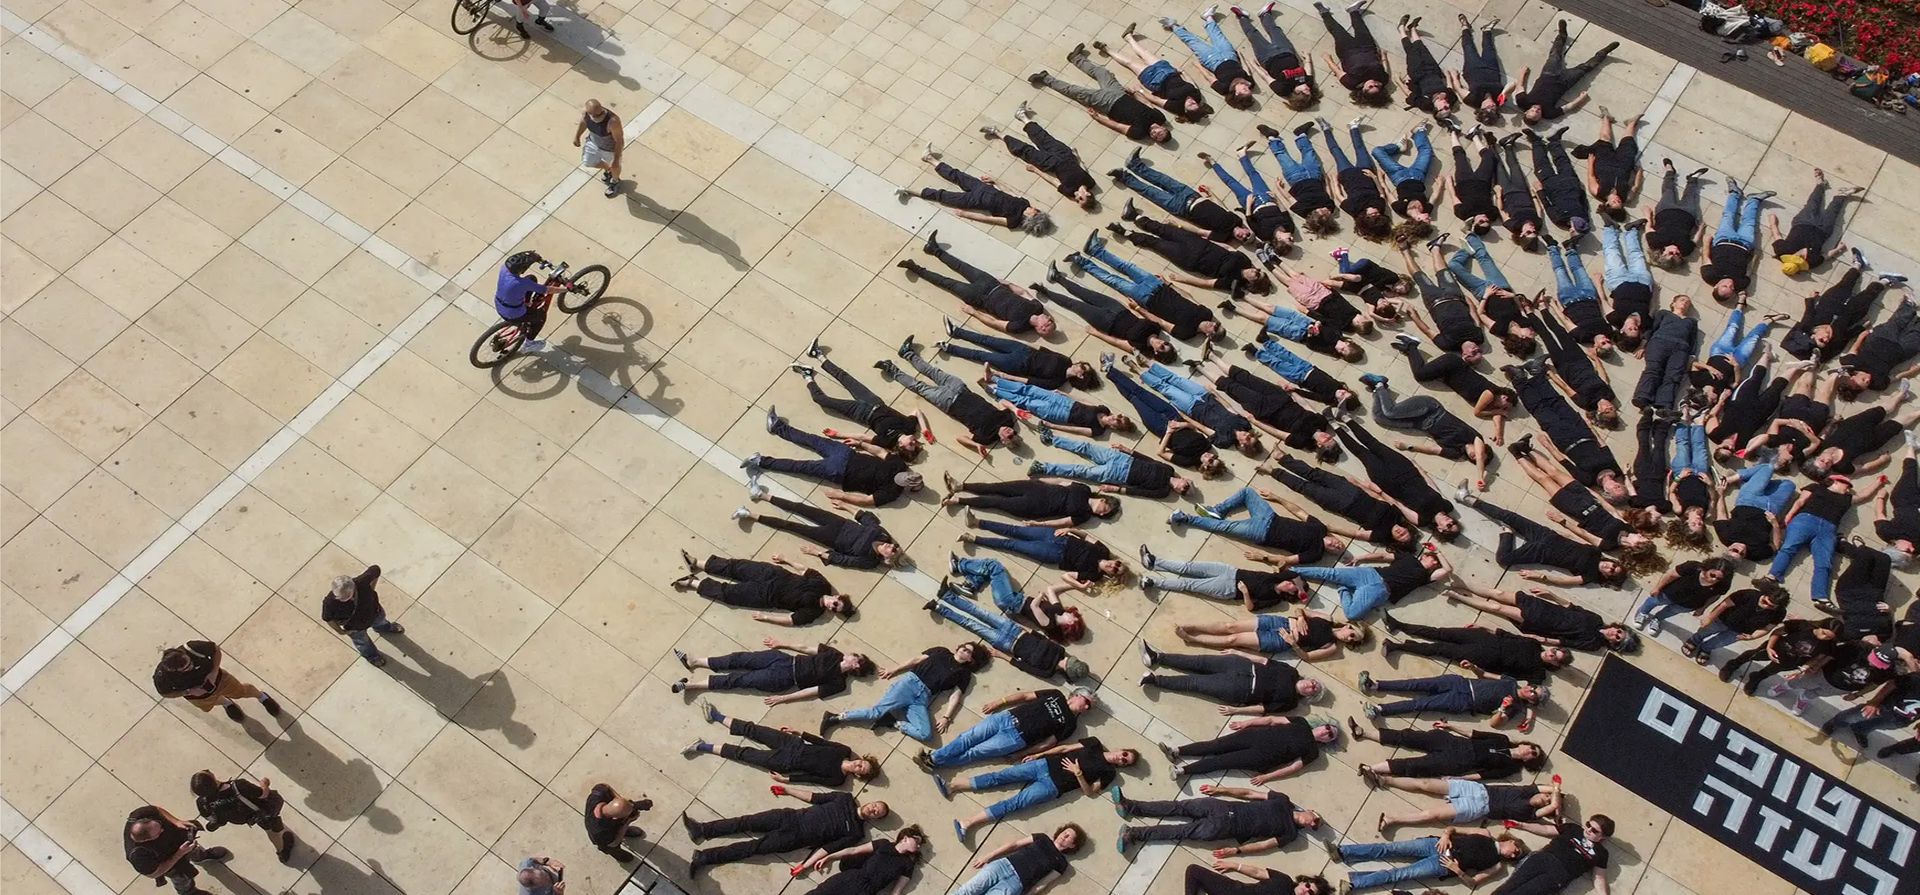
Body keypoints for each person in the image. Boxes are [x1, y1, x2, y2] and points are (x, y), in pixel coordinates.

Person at [940, 738, 1137, 840]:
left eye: (1125, 762)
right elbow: (1064, 748)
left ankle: (967, 823)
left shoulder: (1109, 773)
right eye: (1125, 754)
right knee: (999, 777)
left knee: (1013, 804)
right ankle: (952, 786)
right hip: (1043, 765)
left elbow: (1089, 792)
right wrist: (1038, 755)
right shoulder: (1094, 744)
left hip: (1052, 787)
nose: (1121, 758)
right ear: (1122, 749)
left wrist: (1078, 774)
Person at [684, 787, 888, 875]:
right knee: (745, 822)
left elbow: (827, 849)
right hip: (788, 817)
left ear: (875, 818)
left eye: (877, 812)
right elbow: (814, 797)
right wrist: (787, 789)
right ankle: (701, 829)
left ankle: (703, 857)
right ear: (871, 802)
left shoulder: (856, 833)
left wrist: (805, 865)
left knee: (752, 848)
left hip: (794, 839)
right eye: (875, 805)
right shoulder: (845, 798)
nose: (874, 809)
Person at [877, 340, 1020, 456]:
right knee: (931, 370)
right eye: (1014, 433)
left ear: (1003, 441)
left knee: (918, 386)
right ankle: (906, 352)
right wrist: (1014, 409)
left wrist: (976, 445)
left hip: (948, 402)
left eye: (1010, 436)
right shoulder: (1008, 420)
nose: (1010, 431)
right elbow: (1002, 402)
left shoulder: (987, 438)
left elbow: (960, 438)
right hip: (960, 389)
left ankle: (890, 368)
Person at [1502, 363, 1626, 496]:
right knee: (1558, 402)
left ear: (1607, 492)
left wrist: (1548, 445)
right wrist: (1589, 426)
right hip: (1583, 432)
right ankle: (1537, 374)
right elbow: (1602, 445)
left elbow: (1564, 462)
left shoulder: (1588, 480)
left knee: (1539, 409)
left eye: (1616, 490)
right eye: (1620, 487)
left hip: (1565, 441)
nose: (1617, 486)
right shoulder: (1616, 470)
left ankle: (1519, 379)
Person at [745, 414, 922, 505]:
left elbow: (867, 500)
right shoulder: (899, 466)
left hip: (839, 471)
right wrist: (860, 443)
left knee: (799, 466)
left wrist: (842, 496)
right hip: (846, 455)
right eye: (909, 476)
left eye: (907, 481)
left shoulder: (892, 491)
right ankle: (777, 427)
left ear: (907, 487)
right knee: (811, 441)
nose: (905, 477)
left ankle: (760, 461)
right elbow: (880, 452)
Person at [685, 703, 877, 787]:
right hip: (793, 743)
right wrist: (799, 732)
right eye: (862, 762)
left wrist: (787, 780)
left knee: (745, 754)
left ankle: (702, 746)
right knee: (753, 730)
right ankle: (716, 716)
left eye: (861, 769)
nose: (859, 764)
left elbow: (811, 778)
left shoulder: (837, 779)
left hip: (785, 762)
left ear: (858, 775)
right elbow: (821, 742)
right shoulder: (844, 751)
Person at [824, 641, 985, 740]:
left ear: (971, 659)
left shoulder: (964, 674)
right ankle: (836, 717)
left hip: (923, 698)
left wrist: (946, 717)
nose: (964, 650)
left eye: (968, 651)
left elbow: (956, 695)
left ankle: (892, 722)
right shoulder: (941, 651)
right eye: (964, 647)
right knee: (875, 713)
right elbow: (916, 660)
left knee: (926, 734)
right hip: (910, 684)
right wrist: (895, 669)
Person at [925, 586, 1090, 681]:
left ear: (1067, 669)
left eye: (1070, 662)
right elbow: (1039, 636)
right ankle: (947, 595)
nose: (1068, 659)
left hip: (1007, 644)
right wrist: (1020, 626)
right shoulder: (1060, 650)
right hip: (1015, 630)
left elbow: (1023, 666)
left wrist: (1000, 654)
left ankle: (938, 607)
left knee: (971, 624)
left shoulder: (1048, 672)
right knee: (979, 612)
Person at [900, 234, 1055, 334]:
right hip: (991, 284)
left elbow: (995, 323)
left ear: (1042, 328)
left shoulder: (1020, 326)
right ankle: (933, 249)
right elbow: (1023, 293)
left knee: (946, 282)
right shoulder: (1038, 307)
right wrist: (1008, 284)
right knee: (961, 266)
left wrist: (973, 312)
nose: (1049, 318)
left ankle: (914, 268)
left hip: (979, 299)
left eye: (1049, 322)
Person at [1356, 375, 1492, 488]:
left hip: (1419, 424)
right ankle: (1379, 383)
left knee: (1380, 418)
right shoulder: (1475, 437)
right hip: (1430, 409)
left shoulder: (1456, 453)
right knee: (1390, 412)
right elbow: (1480, 455)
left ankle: (1377, 390)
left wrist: (1408, 446)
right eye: (1480, 455)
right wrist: (1480, 476)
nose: (1476, 457)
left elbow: (1433, 450)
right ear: (1483, 448)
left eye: (1474, 460)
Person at [1332, 421, 1462, 537]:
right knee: (1374, 443)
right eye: (1454, 522)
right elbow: (1432, 486)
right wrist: (1419, 468)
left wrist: (1380, 491)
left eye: (1449, 526)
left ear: (1440, 529)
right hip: (1406, 469)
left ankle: (1334, 425)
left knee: (1362, 453)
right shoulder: (1447, 506)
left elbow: (1398, 505)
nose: (1450, 521)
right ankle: (1346, 419)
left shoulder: (1423, 520)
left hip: (1389, 482)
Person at [790, 350, 927, 460]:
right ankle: (818, 354)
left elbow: (863, 437)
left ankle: (807, 375)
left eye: (911, 445)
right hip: (873, 401)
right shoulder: (909, 427)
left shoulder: (887, 442)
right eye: (916, 443)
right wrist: (926, 430)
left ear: (902, 447)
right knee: (844, 377)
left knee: (822, 400)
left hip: (860, 413)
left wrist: (838, 435)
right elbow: (917, 412)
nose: (914, 441)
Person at [1192, 358, 1346, 456]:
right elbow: (1306, 405)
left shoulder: (1301, 441)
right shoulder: (1321, 423)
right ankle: (1212, 356)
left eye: (1327, 441)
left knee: (1232, 387)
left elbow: (1277, 432)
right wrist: (1292, 392)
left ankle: (1199, 368)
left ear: (1320, 446)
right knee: (1246, 377)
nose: (1327, 436)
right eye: (1330, 438)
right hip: (1279, 397)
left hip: (1265, 410)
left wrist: (1254, 421)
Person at [1115, 784, 1323, 854]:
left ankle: (1133, 834)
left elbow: (1264, 845)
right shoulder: (1283, 801)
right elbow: (1250, 793)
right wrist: (1221, 790)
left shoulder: (1290, 834)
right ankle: (1129, 806)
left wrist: (1238, 851)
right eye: (1315, 819)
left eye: (1314, 826)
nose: (1311, 823)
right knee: (1177, 806)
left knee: (1180, 831)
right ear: (1311, 811)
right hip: (1222, 806)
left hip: (1224, 829)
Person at [920, 687, 1095, 769]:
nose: (1086, 707)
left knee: (975, 752)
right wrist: (999, 702)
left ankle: (934, 760)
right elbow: (1025, 695)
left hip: (1016, 738)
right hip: (1005, 718)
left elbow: (1048, 743)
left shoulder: (1071, 724)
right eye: (1087, 702)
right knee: (967, 737)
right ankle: (934, 759)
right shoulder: (1055, 694)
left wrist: (1023, 754)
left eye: (1089, 707)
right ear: (1077, 695)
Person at [1265, 455, 1417, 548]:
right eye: (1404, 533)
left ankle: (1273, 471)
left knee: (1305, 487)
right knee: (1315, 473)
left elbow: (1357, 533)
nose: (1400, 533)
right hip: (1353, 491)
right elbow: (1378, 497)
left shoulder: (1381, 535)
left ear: (1395, 540)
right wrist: (1358, 484)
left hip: (1342, 505)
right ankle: (1283, 458)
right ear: (1407, 529)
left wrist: (1332, 528)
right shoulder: (1396, 514)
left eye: (1400, 537)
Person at [1471, 495, 1627, 586]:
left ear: (1607, 577)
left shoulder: (1590, 576)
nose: (1610, 567)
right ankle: (1470, 499)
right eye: (1614, 565)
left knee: (1503, 559)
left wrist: (1540, 577)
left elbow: (1565, 581)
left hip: (1541, 553)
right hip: (1546, 535)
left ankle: (1507, 534)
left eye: (1611, 571)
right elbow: (1574, 538)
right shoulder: (1596, 552)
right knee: (1510, 516)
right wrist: (1560, 525)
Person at [1029, 45, 1173, 142]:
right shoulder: (1160, 117)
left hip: (1107, 104)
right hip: (1120, 93)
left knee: (1075, 90)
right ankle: (1076, 58)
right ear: (1163, 128)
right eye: (1159, 134)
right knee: (1102, 72)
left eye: (1156, 138)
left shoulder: (1139, 133)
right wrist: (1136, 92)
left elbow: (1117, 126)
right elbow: (1147, 103)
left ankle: (1045, 78)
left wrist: (1098, 118)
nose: (1155, 134)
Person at [1169, 485, 1349, 562]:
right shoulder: (1320, 528)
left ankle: (1185, 518)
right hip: (1270, 517)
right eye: (1339, 543)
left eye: (1336, 549)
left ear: (1331, 553)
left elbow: (1288, 560)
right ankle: (1217, 510)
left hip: (1261, 533)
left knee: (1224, 527)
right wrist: (1277, 498)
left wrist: (1263, 558)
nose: (1336, 545)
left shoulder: (1315, 553)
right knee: (1247, 492)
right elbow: (1299, 512)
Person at [1109, 156, 1255, 250]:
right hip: (1191, 194)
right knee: (1161, 179)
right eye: (1248, 235)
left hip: (1181, 207)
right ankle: (1135, 164)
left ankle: (1123, 176)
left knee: (1149, 191)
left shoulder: (1223, 236)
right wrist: (1211, 194)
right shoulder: (1237, 219)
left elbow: (1199, 231)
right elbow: (1222, 207)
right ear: (1247, 230)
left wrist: (1177, 225)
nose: (1244, 236)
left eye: (1244, 240)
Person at [1444, 582, 1639, 652]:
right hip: (1542, 606)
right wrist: (1550, 595)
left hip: (1540, 622)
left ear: (1614, 644)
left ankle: (1457, 596)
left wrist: (1539, 639)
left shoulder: (1593, 644)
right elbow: (1571, 607)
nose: (1615, 634)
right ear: (1619, 627)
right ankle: (1461, 585)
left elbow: (1564, 642)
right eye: (1619, 632)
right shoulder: (1596, 619)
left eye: (1617, 638)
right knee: (1498, 593)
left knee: (1497, 608)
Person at [1391, 332, 1515, 442]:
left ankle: (1408, 350)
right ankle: (1412, 344)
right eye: (1505, 406)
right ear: (1504, 397)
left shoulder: (1492, 400)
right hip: (1451, 365)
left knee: (1422, 374)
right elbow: (1478, 412)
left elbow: (1497, 416)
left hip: (1448, 372)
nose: (1502, 408)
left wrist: (1499, 434)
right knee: (1420, 374)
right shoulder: (1490, 393)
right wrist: (1498, 411)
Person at [672, 552, 853, 626]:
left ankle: (692, 582)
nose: (832, 607)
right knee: (736, 567)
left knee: (729, 594)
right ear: (837, 597)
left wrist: (766, 617)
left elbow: (791, 620)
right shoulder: (823, 585)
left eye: (834, 610)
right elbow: (805, 570)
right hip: (772, 574)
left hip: (765, 596)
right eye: (836, 604)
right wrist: (785, 559)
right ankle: (697, 563)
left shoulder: (815, 612)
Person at [671, 638, 873, 703]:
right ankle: (694, 661)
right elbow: (806, 648)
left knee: (740, 680)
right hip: (783, 659)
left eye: (855, 656)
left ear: (856, 665)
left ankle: (691, 686)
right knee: (739, 658)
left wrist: (783, 698)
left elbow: (810, 692)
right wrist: (781, 644)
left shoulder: (838, 683)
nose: (851, 654)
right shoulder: (835, 654)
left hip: (783, 678)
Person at [1106, 212, 1266, 294]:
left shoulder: (1233, 283)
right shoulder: (1245, 261)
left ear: (1252, 283)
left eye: (1257, 275)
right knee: (1165, 229)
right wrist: (1206, 240)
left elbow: (1206, 283)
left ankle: (1124, 232)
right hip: (1199, 244)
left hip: (1189, 258)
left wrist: (1182, 279)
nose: (1256, 270)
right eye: (1259, 270)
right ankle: (1135, 216)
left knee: (1156, 244)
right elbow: (1228, 248)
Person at [1137, 644, 1324, 712]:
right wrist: (1238, 652)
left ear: (1309, 696)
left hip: (1238, 689)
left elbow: (1262, 709)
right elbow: (1263, 661)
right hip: (1240, 665)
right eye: (1314, 683)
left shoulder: (1291, 702)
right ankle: (1156, 657)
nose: (1311, 686)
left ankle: (1154, 680)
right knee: (1197, 661)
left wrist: (1236, 710)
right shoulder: (1291, 671)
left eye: (1313, 690)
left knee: (1194, 683)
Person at [1040, 269, 1177, 362]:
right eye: (1166, 343)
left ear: (1157, 352)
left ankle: (1044, 291)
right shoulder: (1156, 328)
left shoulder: (1141, 348)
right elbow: (1147, 314)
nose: (1162, 343)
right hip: (1117, 309)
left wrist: (1096, 333)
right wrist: (1136, 307)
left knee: (1073, 305)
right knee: (1084, 292)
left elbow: (1117, 342)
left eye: (1162, 348)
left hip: (1106, 323)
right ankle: (1057, 277)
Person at [903, 152, 1052, 235]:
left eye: (1036, 211)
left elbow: (989, 219)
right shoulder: (1024, 203)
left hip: (976, 200)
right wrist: (995, 181)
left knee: (943, 196)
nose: (1035, 208)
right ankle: (929, 158)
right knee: (957, 175)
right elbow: (1009, 192)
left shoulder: (1013, 221)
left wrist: (966, 214)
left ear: (1032, 217)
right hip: (984, 188)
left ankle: (910, 191)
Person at [1382, 616, 1570, 682]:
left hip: (1482, 657)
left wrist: (1478, 670)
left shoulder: (1537, 674)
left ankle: (1396, 646)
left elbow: (1507, 680)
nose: (1551, 653)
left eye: (1555, 656)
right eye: (1554, 650)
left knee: (1437, 649)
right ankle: (1398, 624)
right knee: (1439, 632)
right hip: (1482, 637)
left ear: (1555, 664)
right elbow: (1509, 635)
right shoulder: (1534, 644)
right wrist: (1484, 627)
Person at [960, 513, 1126, 588]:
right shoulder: (1103, 551)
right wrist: (1069, 529)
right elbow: (1086, 536)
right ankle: (977, 522)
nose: (1114, 566)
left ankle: (974, 539)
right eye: (1118, 564)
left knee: (1011, 544)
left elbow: (1066, 576)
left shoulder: (1094, 575)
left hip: (1054, 554)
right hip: (1059, 537)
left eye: (1115, 570)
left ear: (1110, 575)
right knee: (1015, 530)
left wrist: (1080, 586)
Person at [1764, 475, 1860, 603]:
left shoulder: (1847, 498)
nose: (1848, 490)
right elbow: (1800, 501)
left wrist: (1879, 484)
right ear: (1836, 481)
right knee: (1789, 547)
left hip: (1828, 528)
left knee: (1824, 562)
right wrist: (1788, 517)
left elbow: (1863, 496)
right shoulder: (1815, 487)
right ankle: (1772, 577)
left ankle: (1821, 597)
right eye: (1847, 486)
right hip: (1806, 519)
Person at [1332, 827, 1527, 891]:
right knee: (1389, 848)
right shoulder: (1485, 833)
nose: (1512, 854)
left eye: (1515, 856)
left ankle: (1354, 884)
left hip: (1442, 866)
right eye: (1516, 850)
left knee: (1398, 874)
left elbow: (1473, 883)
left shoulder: (1497, 865)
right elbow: (1454, 828)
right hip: (1435, 844)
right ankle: (1342, 851)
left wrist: (1457, 871)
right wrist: (1446, 835)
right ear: (1511, 840)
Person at [1158, 716, 1339, 784]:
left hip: (1260, 757)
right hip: (1253, 736)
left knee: (1221, 762)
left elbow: (1292, 768)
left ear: (1327, 741)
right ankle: (1175, 751)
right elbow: (1271, 720)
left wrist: (1267, 777)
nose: (1326, 732)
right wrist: (1246, 723)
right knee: (1215, 745)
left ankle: (1181, 771)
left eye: (1330, 735)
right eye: (1327, 728)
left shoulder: (1313, 752)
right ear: (1322, 724)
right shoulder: (1301, 722)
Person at [737, 495, 901, 569]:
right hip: (839, 522)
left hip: (832, 538)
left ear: (888, 559)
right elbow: (866, 518)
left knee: (790, 526)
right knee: (800, 507)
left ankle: (749, 515)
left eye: (893, 550)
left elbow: (844, 560)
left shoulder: (870, 561)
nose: (891, 546)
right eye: (895, 546)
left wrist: (817, 552)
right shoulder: (882, 535)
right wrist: (844, 505)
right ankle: (762, 495)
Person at [983, 106, 1096, 209]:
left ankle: (997, 132)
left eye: (1078, 201)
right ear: (1088, 194)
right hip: (1065, 154)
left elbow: (1053, 181)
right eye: (1081, 199)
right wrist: (1077, 156)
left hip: (1050, 164)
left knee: (1024, 150)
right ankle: (1022, 116)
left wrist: (1035, 170)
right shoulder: (1090, 183)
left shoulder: (1069, 192)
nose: (1077, 198)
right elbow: (1084, 170)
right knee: (1043, 137)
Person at [1352, 720, 1546, 780]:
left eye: (1533, 754)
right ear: (1525, 743)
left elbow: (1483, 775)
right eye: (1532, 747)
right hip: (1454, 743)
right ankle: (1363, 733)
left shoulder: (1510, 768)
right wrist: (1450, 726)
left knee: (1413, 765)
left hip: (1459, 763)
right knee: (1408, 737)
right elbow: (1474, 733)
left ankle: (1371, 769)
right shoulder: (1502, 739)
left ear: (1529, 761)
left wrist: (1458, 778)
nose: (1529, 751)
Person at [1202, 142, 1300, 258]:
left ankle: (1212, 162)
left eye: (1289, 240)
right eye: (1292, 239)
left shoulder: (1265, 235)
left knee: (1231, 182)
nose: (1292, 238)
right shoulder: (1290, 228)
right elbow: (1285, 212)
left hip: (1253, 205)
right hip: (1267, 198)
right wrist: (1276, 199)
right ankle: (1242, 155)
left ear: (1280, 240)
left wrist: (1248, 205)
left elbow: (1250, 221)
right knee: (1254, 175)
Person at [1026, 430, 1191, 499]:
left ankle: (1044, 468)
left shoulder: (1163, 492)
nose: (1182, 488)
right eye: (1186, 486)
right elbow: (1149, 460)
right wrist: (1127, 450)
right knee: (1086, 447)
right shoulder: (1169, 469)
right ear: (1184, 479)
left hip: (1118, 475)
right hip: (1123, 459)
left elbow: (1139, 492)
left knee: (1080, 471)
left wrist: (1115, 489)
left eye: (1183, 491)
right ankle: (1052, 438)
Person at [936, 320, 1095, 391]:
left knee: (980, 355)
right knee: (987, 340)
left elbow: (1028, 381)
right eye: (1081, 362)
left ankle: (948, 348)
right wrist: (1023, 344)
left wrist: (1004, 375)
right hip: (1023, 350)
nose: (1078, 363)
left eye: (1082, 366)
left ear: (1080, 376)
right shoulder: (1066, 360)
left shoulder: (1057, 382)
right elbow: (1043, 350)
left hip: (1016, 364)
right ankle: (956, 331)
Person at [1139, 362, 1262, 454]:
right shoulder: (1244, 424)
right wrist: (1214, 393)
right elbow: (1229, 408)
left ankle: (1140, 371)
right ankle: (1148, 363)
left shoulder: (1224, 441)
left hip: (1192, 407)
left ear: (1242, 445)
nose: (1248, 435)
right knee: (1176, 379)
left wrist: (1184, 416)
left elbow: (1202, 428)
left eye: (1248, 439)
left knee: (1165, 388)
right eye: (1251, 436)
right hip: (1205, 395)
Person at [1781, 261, 1891, 360]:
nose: (1826, 339)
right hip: (1851, 314)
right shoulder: (1836, 340)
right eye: (1825, 343)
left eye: (1821, 339)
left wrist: (1810, 299)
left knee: (1845, 284)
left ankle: (1857, 264)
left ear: (1814, 335)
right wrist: (1861, 327)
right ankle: (1885, 280)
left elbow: (1809, 312)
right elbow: (1848, 336)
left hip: (1831, 302)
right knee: (1867, 297)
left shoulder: (1809, 324)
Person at [1511, 19, 1616, 123]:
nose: (1536, 109)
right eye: (1537, 112)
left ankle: (1562, 35)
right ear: (1540, 118)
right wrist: (1580, 99)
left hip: (1548, 74)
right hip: (1566, 82)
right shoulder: (1549, 114)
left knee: (1555, 55)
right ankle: (1604, 52)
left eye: (1532, 110)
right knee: (1586, 67)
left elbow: (1520, 86)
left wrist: (1522, 73)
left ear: (1526, 112)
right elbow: (1568, 107)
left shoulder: (1522, 102)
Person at [1096, 29, 1213, 121]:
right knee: (1145, 53)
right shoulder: (1197, 96)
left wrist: (1140, 91)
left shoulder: (1176, 107)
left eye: (1191, 106)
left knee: (1130, 63)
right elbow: (1192, 83)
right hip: (1169, 72)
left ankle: (1106, 49)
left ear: (1185, 110)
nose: (1192, 102)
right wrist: (1183, 72)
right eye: (1195, 104)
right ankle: (1128, 37)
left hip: (1154, 80)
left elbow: (1155, 100)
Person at [1358, 669, 1547, 725]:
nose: (1530, 690)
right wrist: (1473, 667)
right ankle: (1375, 686)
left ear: (1532, 700)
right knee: (1415, 684)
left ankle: (1379, 710)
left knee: (1420, 704)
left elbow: (1494, 724)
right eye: (1533, 687)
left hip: (1465, 701)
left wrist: (1503, 708)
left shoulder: (1515, 708)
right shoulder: (1511, 681)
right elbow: (1486, 675)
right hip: (1460, 683)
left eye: (1533, 694)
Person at [152, 641, 280, 722]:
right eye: (185, 668)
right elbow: (165, 693)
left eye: (189, 662)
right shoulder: (162, 677)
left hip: (219, 679)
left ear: (181, 653)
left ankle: (262, 697)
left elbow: (216, 650)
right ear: (173, 670)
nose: (190, 666)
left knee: (241, 691)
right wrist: (187, 692)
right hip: (197, 696)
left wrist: (213, 673)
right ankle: (227, 703)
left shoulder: (192, 648)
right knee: (211, 702)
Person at [1172, 606, 1368, 659]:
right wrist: (1300, 618)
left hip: (1281, 640)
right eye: (1352, 633)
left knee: (1233, 639)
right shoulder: (1328, 618)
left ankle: (1193, 639)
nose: (1348, 637)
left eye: (1352, 640)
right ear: (1348, 626)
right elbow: (1300, 609)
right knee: (1229, 626)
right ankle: (1193, 627)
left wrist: (1292, 643)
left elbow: (1307, 657)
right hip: (1281, 622)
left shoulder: (1331, 647)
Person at [1373, 778, 1563, 831]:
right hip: (1476, 790)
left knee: (1432, 815)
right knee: (1425, 784)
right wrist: (1555, 789)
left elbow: (1552, 808)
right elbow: (1552, 786)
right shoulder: (1528, 790)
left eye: (1546, 802)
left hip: (1478, 809)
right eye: (1546, 796)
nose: (1545, 799)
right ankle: (1384, 779)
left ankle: (1392, 820)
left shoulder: (1529, 814)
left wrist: (1555, 802)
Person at [1253, 123, 1340, 237]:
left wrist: (1279, 188)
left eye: (1322, 212)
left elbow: (1289, 198)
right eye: (1327, 213)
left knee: (1282, 156)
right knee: (1309, 152)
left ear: (1314, 215)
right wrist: (1328, 181)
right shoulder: (1330, 208)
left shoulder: (1303, 211)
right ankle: (1301, 134)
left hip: (1295, 178)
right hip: (1314, 175)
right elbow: (1329, 193)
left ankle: (1272, 137)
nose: (1326, 210)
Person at [1769, 168, 1861, 277]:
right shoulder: (1811, 263)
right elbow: (1826, 256)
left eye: (1796, 257)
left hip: (1803, 222)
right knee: (1833, 211)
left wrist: (1772, 222)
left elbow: (1777, 235)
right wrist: (1838, 249)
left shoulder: (1781, 250)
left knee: (1813, 203)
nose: (1800, 257)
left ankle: (1820, 184)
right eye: (1800, 261)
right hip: (1823, 230)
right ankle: (1843, 195)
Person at [1137, 550, 1306, 609]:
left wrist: (1245, 593)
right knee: (1189, 567)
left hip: (1228, 589)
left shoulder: (1274, 599)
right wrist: (1300, 589)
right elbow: (1295, 575)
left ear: (1290, 595)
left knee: (1188, 584)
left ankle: (1153, 582)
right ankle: (1154, 562)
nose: (1290, 583)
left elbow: (1251, 608)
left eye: (1292, 587)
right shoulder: (1277, 577)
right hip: (1230, 571)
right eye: (1293, 584)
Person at [1719, 616, 1842, 695]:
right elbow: (1777, 632)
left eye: (1829, 637)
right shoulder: (1802, 626)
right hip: (1776, 648)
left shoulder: (1829, 645)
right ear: (1820, 626)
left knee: (1771, 670)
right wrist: (1769, 647)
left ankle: (1756, 677)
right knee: (1753, 655)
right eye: (1824, 633)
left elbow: (1818, 658)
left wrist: (1804, 668)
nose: (1824, 637)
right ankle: (1733, 665)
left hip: (1791, 661)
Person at [190, 771, 294, 863]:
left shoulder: (202, 803)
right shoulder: (239, 785)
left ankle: (279, 842)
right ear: (212, 778)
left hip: (245, 818)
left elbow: (211, 818)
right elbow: (263, 794)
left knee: (267, 826)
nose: (209, 770)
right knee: (272, 831)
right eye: (207, 772)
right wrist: (265, 784)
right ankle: (282, 852)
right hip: (262, 811)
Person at [124, 805, 230, 895]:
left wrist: (176, 821)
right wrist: (180, 853)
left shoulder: (137, 816)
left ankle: (202, 856)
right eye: (158, 833)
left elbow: (157, 809)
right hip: (171, 862)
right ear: (147, 840)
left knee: (193, 848)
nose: (162, 829)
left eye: (159, 824)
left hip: (179, 840)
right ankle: (189, 892)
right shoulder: (138, 855)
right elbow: (154, 873)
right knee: (182, 879)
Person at [1318, 117, 1393, 241]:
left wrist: (1335, 182)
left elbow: (1339, 196)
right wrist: (1375, 178)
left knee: (1336, 152)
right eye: (1378, 214)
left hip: (1347, 176)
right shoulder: (1380, 207)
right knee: (1360, 148)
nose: (1377, 212)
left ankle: (1326, 129)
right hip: (1366, 172)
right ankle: (1353, 127)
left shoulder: (1354, 210)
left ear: (1366, 218)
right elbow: (1381, 193)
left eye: (1373, 214)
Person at [1495, 817, 1613, 895]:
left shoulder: (1601, 853)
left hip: (1559, 875)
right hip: (1542, 859)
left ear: (1603, 837)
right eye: (1588, 825)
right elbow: (1546, 829)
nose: (1589, 830)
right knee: (1508, 887)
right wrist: (1521, 825)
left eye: (1594, 830)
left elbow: (1599, 878)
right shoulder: (1573, 828)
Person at [1681, 579, 1788, 664]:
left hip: (1740, 632)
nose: (1766, 606)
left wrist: (1752, 637)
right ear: (1764, 594)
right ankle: (1694, 640)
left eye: (1771, 606)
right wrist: (1710, 618)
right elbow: (1724, 604)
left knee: (1720, 642)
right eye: (1765, 601)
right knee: (1705, 631)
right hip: (1722, 620)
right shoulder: (1748, 594)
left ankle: (1706, 648)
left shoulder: (1780, 613)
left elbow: (1767, 628)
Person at [1160, 12, 1257, 107]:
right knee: (1218, 35)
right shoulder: (1250, 83)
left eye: (1245, 90)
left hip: (1212, 61)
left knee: (1193, 42)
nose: (1247, 87)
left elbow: (1209, 78)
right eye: (1249, 90)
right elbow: (1247, 70)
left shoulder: (1224, 89)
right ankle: (1208, 17)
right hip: (1230, 55)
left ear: (1237, 93)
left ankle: (1173, 26)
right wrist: (1241, 58)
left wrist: (1198, 66)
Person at [1233, 4, 1319, 110]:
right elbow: (1309, 71)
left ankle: (1242, 17)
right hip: (1286, 51)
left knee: (1253, 35)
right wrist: (1308, 58)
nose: (1308, 89)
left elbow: (1266, 77)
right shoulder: (1308, 83)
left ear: (1297, 93)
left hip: (1267, 57)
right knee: (1275, 30)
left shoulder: (1282, 89)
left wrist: (1253, 65)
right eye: (1309, 91)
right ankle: (1265, 14)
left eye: (1306, 91)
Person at [950, 826, 1082, 895]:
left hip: (1015, 884)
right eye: (1065, 831)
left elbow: (1043, 884)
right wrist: (989, 856)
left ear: (1072, 845)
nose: (1064, 835)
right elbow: (1014, 845)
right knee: (966, 891)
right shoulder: (1042, 838)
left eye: (1069, 836)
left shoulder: (1062, 863)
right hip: (1001, 866)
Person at [1701, 179, 1776, 300]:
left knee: (1728, 215)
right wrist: (1756, 257)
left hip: (1723, 239)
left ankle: (1734, 193)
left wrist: (1706, 241)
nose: (1730, 284)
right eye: (1731, 288)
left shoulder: (1709, 276)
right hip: (1745, 244)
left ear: (1716, 286)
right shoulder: (1741, 284)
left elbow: (1706, 257)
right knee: (1749, 221)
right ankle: (1754, 200)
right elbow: (1749, 270)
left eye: (1725, 286)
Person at [1224, 296, 1362, 359]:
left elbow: (1311, 345)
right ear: (1348, 343)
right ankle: (1243, 296)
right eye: (1344, 349)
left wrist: (1311, 335)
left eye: (1342, 352)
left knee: (1264, 319)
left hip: (1298, 333)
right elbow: (1324, 321)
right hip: (1304, 321)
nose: (1340, 349)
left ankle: (1234, 308)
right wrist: (1316, 323)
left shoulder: (1329, 349)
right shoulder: (1338, 332)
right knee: (1270, 307)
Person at [944, 476, 1117, 526]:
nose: (1101, 513)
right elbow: (1060, 482)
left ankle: (958, 500)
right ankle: (960, 486)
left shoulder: (1084, 515)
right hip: (1035, 488)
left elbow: (1063, 522)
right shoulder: (1084, 489)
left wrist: (1040, 524)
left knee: (997, 502)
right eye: (1105, 509)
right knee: (996, 487)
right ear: (1103, 500)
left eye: (1104, 514)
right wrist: (1040, 480)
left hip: (1034, 507)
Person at [321, 565, 405, 667]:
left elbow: (376, 570)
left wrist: (371, 589)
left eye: (346, 596)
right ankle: (372, 656)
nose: (343, 599)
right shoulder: (329, 602)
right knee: (362, 643)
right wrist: (341, 632)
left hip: (374, 612)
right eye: (339, 597)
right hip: (355, 627)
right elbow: (328, 618)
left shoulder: (361, 582)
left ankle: (385, 628)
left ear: (353, 588)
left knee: (381, 622)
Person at [1835, 296, 1920, 398]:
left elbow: (1854, 349)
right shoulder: (1878, 384)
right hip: (1901, 350)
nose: (1868, 379)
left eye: (1863, 379)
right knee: (1916, 335)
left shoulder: (1850, 365)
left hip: (1881, 338)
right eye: (1867, 383)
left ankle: (1909, 304)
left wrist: (1861, 337)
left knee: (1898, 321)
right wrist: (1912, 371)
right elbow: (1896, 377)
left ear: (1852, 377)